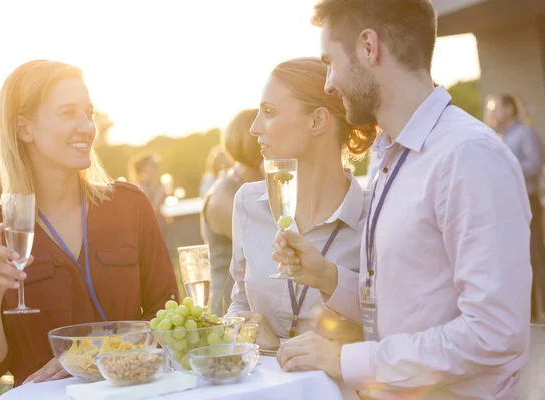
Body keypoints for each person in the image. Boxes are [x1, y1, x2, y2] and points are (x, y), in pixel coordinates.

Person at [274, 1, 532, 398]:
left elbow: (494, 333)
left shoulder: (468, 156)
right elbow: (409, 309)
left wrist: (345, 360)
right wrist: (326, 276)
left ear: (368, 47)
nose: (327, 83)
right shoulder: (388, 156)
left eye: (330, 61)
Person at [0, 60, 179, 387]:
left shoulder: (130, 206)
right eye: (67, 113)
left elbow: (167, 315)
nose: (86, 127)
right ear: (24, 129)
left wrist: (96, 355)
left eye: (88, 113)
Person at [225, 57, 375, 349]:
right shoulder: (248, 203)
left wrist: (277, 346)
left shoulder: (376, 217)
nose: (254, 128)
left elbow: (392, 328)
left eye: (268, 112)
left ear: (317, 121)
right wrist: (242, 333)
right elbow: (240, 301)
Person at [201, 108, 263, 316]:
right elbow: (268, 248)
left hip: (256, 309)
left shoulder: (256, 184)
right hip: (230, 311)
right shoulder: (224, 197)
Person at [491, 93, 545, 322]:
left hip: (528, 200)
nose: (493, 113)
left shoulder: (525, 133)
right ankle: (530, 315)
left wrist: (506, 168)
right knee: (519, 259)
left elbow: (534, 164)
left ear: (510, 110)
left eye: (497, 108)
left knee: (535, 257)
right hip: (508, 205)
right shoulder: (498, 137)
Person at [127, 152, 166, 218]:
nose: (157, 166)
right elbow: (151, 212)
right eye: (153, 164)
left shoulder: (157, 185)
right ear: (144, 168)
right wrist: (160, 193)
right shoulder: (139, 189)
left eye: (157, 164)